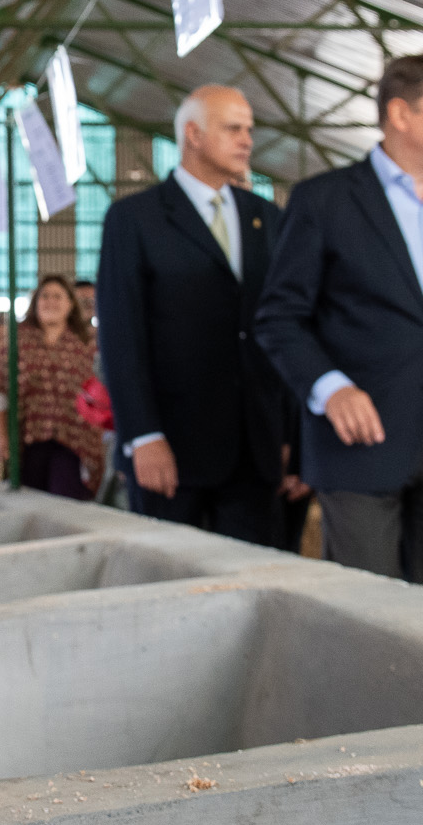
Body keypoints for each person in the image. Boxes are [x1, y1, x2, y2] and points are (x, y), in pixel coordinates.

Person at [256, 54, 423, 593]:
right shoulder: (324, 200)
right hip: (358, 441)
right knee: (367, 611)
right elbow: (279, 316)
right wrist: (330, 388)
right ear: (401, 115)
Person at [97, 84, 293, 543]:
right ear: (193, 135)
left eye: (249, 129)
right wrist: (143, 436)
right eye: (233, 128)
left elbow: (283, 329)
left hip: (256, 450)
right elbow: (122, 337)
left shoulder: (266, 217)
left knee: (253, 584)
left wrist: (291, 439)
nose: (247, 139)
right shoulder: (135, 218)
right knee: (173, 581)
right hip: (171, 448)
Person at [1, 275, 104, 499]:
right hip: (25, 440)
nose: (51, 302)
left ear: (70, 304)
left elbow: (96, 394)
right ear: (35, 302)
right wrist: (2, 437)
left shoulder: (83, 344)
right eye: (45, 296)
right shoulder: (18, 339)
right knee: (27, 500)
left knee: (66, 498)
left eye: (58, 296)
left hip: (73, 441)